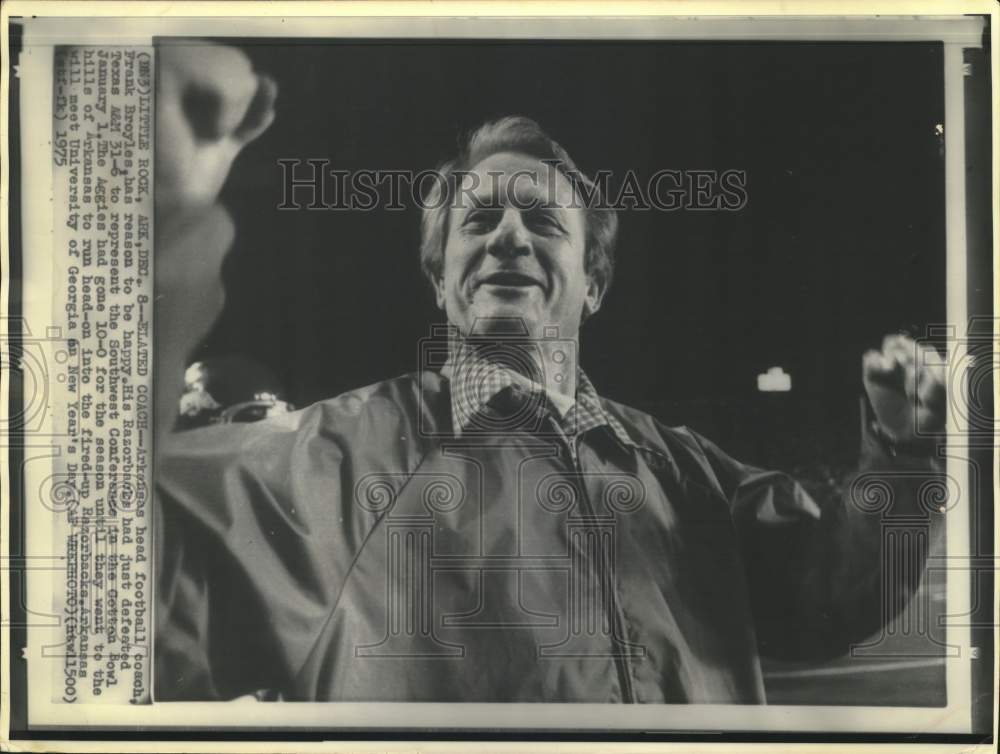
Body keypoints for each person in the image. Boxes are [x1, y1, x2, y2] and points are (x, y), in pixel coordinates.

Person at [154, 44, 947, 703]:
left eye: (541, 221)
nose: (508, 236)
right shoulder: (324, 464)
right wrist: (161, 207)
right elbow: (119, 542)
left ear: (593, 284)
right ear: (441, 279)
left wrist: (906, 453)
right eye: (478, 218)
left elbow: (828, 597)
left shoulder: (686, 473)